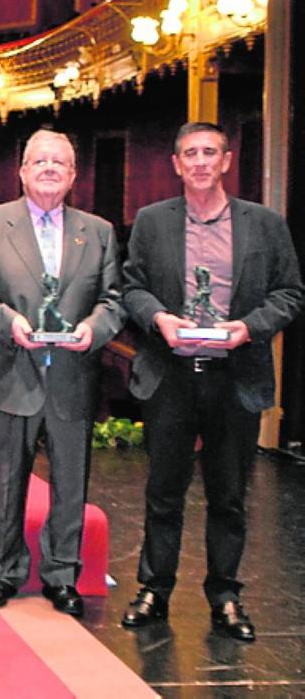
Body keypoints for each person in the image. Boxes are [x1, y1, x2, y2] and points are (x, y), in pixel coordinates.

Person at [121, 122, 303, 641]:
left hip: (234, 377)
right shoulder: (152, 221)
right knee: (163, 492)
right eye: (190, 154)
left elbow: (289, 293)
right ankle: (155, 589)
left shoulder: (264, 224)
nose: (200, 162)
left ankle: (225, 594)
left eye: (209, 152)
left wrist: (249, 328)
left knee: (229, 497)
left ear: (226, 160)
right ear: (176, 164)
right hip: (171, 377)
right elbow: (131, 287)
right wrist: (159, 317)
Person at [0, 129, 125, 618]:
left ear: (73, 175)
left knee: (72, 482)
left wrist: (94, 329)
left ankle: (62, 574)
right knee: (8, 480)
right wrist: (8, 323)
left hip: (74, 373)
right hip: (14, 368)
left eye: (59, 162)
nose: (49, 168)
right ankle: (3, 571)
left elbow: (113, 299)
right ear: (22, 171)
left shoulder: (98, 231)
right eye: (39, 161)